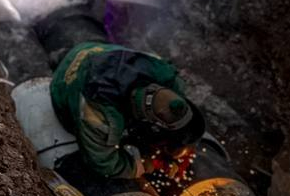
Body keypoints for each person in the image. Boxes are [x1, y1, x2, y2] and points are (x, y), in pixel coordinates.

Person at [50, 41, 205, 179]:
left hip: (94, 48)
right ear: (150, 125)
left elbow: (177, 112)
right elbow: (104, 163)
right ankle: (58, 58)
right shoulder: (101, 115)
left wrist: (186, 148)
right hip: (66, 84)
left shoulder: (166, 75)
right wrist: (145, 165)